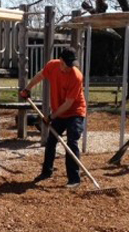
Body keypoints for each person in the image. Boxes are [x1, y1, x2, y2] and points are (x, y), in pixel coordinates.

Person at [19, 47, 86, 188]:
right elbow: (40, 75)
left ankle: (74, 179)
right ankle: (46, 172)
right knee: (51, 141)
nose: (70, 67)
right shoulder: (52, 65)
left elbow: (69, 103)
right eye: (68, 64)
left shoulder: (76, 76)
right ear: (61, 61)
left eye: (72, 64)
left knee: (71, 142)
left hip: (75, 112)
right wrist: (27, 88)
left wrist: (51, 116)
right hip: (59, 112)